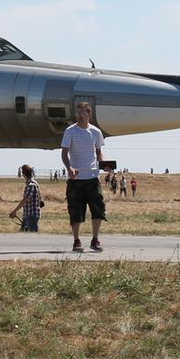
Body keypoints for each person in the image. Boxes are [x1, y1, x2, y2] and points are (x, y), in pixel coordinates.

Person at [61, 102, 107, 252]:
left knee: (98, 209)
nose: (80, 115)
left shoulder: (95, 132)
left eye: (83, 113)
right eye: (78, 113)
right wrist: (69, 168)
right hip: (76, 179)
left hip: (92, 177)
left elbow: (99, 152)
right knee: (75, 211)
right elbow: (64, 153)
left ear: (89, 114)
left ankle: (95, 239)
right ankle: (76, 240)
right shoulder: (70, 131)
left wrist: (105, 165)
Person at [9, 164, 42, 232]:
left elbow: (25, 200)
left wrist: (15, 211)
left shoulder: (31, 185)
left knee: (32, 235)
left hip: (31, 214)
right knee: (23, 235)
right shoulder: (33, 183)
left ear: (24, 174)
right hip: (27, 214)